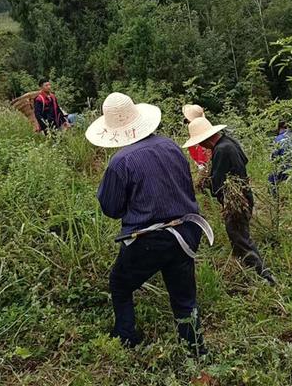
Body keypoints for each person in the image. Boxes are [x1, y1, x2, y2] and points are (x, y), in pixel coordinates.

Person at [86, 92, 213, 355]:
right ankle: (196, 351)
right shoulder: (171, 147)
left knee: (120, 284)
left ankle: (126, 336)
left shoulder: (121, 163)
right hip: (186, 232)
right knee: (184, 299)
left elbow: (111, 208)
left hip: (148, 240)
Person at [183, 117, 275, 284]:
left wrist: (206, 185)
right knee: (238, 235)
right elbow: (244, 160)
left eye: (200, 142)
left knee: (240, 238)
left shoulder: (221, 151)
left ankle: (264, 276)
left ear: (206, 139)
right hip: (245, 196)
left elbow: (217, 183)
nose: (200, 147)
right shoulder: (228, 141)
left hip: (235, 202)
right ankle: (245, 270)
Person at [182, 104, 211, 170]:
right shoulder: (198, 126)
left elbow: (202, 147)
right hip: (200, 160)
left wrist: (201, 163)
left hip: (203, 162)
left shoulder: (200, 128)